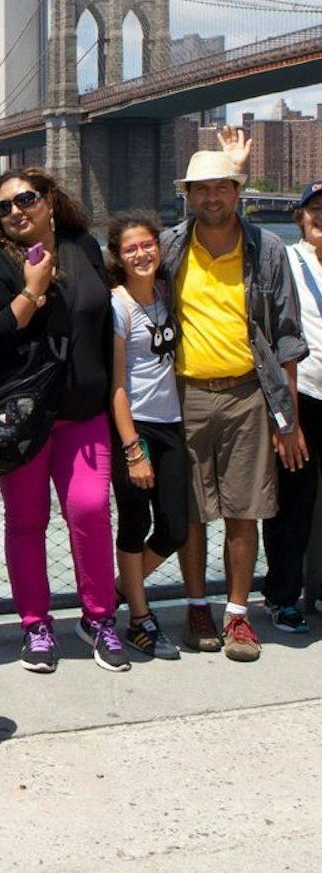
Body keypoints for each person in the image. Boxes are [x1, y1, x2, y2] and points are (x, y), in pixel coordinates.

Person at [0, 168, 128, 673]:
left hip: (84, 415)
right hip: (24, 424)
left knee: (89, 510)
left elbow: (111, 317)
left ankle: (98, 617)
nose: (18, 211)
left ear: (51, 201)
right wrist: (31, 294)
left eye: (27, 199)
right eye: (6, 206)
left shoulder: (85, 251)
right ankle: (35, 624)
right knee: (28, 522)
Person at [162, 149, 305, 660]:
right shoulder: (169, 248)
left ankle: (239, 616)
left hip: (248, 393)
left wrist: (287, 417)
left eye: (222, 186)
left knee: (245, 511)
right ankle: (197, 606)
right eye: (201, 189)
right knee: (193, 510)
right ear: (188, 196)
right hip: (185, 394)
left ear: (238, 192)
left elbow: (288, 338)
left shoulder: (267, 250)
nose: (212, 197)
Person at [105, 212, 186, 660]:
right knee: (135, 525)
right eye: (130, 248)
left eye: (147, 244)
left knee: (175, 525)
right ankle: (140, 617)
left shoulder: (166, 293)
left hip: (171, 423)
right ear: (118, 256)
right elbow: (116, 384)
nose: (141, 253)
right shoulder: (117, 306)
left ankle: (118, 589)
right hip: (134, 428)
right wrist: (133, 448)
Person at [262, 179, 322, 631]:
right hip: (301, 396)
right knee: (292, 501)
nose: (321, 215)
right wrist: (287, 419)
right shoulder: (286, 258)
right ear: (299, 217)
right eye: (313, 209)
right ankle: (283, 596)